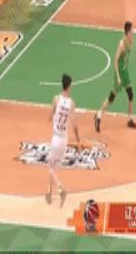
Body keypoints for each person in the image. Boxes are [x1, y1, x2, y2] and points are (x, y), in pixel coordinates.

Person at [95, 21, 136, 131]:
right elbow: (115, 60)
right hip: (120, 73)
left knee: (131, 94)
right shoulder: (121, 44)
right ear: (128, 32)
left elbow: (127, 56)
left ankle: (130, 120)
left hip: (125, 72)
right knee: (111, 97)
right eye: (132, 30)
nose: (133, 31)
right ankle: (98, 115)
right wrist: (118, 77)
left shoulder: (131, 41)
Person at [47, 74, 81, 206]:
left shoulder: (56, 99)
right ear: (69, 86)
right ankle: (49, 192)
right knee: (55, 168)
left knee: (51, 168)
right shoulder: (71, 103)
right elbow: (75, 125)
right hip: (64, 140)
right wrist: (78, 141)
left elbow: (50, 116)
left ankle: (60, 189)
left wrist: (51, 116)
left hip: (56, 138)